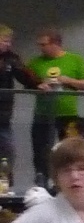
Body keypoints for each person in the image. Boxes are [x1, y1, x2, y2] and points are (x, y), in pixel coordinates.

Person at [28, 27, 84, 189]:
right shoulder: (35, 62)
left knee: (69, 150)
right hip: (43, 112)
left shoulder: (75, 59)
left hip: (67, 113)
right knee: (41, 150)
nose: (41, 48)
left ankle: (68, 182)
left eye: (44, 44)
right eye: (39, 45)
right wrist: (39, 85)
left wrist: (68, 80)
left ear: (55, 44)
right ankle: (42, 182)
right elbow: (28, 81)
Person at [0, 24, 41, 177]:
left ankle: (4, 181)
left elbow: (25, 75)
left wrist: (38, 84)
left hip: (3, 114)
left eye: (9, 41)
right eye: (5, 40)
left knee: (6, 150)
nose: (8, 44)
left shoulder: (11, 58)